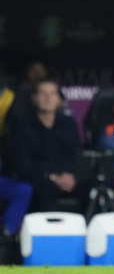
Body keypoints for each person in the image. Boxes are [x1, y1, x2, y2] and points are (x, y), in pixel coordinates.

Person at [13, 79, 84, 212]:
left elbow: (77, 155)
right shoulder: (22, 127)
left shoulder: (68, 124)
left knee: (92, 189)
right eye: (43, 94)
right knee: (46, 190)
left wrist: (73, 176)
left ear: (58, 98)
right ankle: (53, 232)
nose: (48, 98)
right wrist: (52, 177)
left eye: (52, 93)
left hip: (68, 177)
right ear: (34, 98)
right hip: (40, 178)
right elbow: (23, 164)